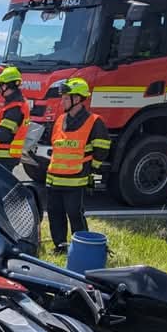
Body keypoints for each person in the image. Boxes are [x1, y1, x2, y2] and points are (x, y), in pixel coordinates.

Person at [45, 77, 110, 253]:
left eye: (66, 98)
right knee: (55, 213)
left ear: (78, 99)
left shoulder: (95, 121)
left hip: (77, 180)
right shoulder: (59, 120)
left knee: (74, 214)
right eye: (63, 97)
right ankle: (60, 246)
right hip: (54, 179)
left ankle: (82, 246)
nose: (62, 101)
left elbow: (102, 149)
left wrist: (92, 174)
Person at [0, 66, 29, 173]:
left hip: (2, 157)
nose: (0, 90)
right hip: (5, 157)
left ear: (6, 85)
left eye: (1, 86)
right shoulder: (16, 105)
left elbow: (4, 135)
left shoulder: (14, 108)